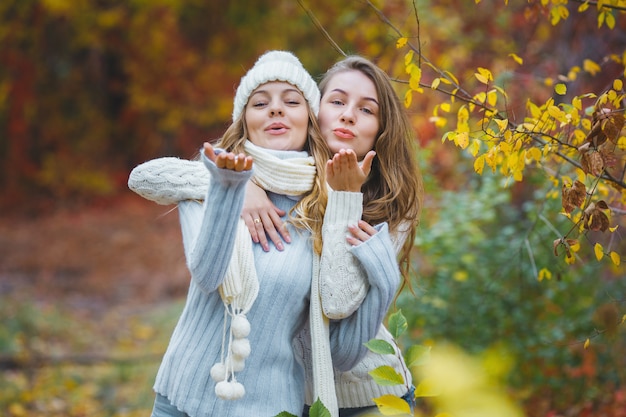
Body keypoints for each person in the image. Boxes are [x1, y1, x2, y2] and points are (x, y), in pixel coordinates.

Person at [128, 51, 401, 417]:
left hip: (272, 406)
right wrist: (232, 187)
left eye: (291, 101)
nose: (275, 110)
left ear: (310, 118)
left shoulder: (324, 207)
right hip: (180, 400)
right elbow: (208, 273)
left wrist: (345, 200)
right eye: (260, 103)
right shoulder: (213, 180)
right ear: (245, 119)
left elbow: (338, 308)